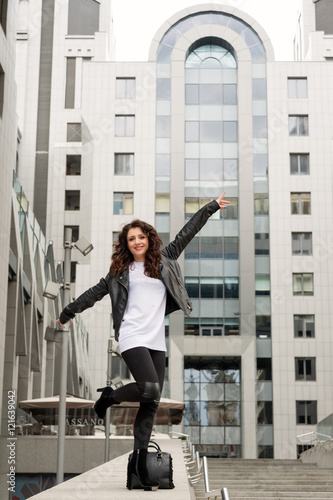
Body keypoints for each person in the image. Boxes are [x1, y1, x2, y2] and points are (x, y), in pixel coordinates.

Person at [57, 192, 229, 491]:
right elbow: (93, 295)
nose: (137, 242)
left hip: (155, 340)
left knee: (151, 402)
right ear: (126, 244)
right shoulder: (118, 273)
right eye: (131, 239)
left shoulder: (166, 258)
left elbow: (188, 231)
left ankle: (141, 469)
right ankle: (109, 397)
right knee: (148, 388)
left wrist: (211, 207)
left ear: (149, 239)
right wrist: (68, 312)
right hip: (131, 335)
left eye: (141, 237)